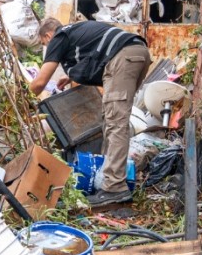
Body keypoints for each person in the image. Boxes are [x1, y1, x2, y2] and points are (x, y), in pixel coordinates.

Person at [29, 17, 152, 204]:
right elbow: (95, 52)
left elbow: (40, 82)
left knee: (115, 123)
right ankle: (107, 179)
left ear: (47, 35)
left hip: (123, 58)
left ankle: (114, 187)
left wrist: (22, 100)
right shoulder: (75, 31)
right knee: (111, 120)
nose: (48, 47)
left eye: (44, 43)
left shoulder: (59, 37)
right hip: (137, 53)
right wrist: (71, 77)